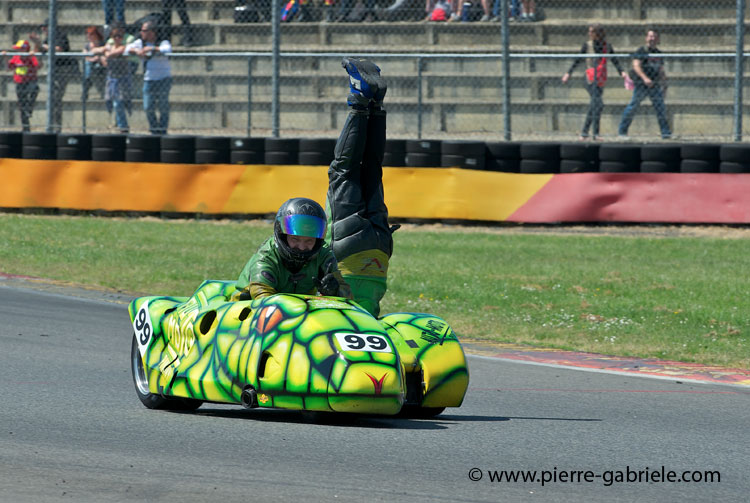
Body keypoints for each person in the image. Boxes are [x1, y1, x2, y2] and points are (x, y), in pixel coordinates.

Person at [325, 58, 398, 317]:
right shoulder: (349, 325)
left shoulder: (369, 323)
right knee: (343, 171)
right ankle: (359, 100)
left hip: (380, 250)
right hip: (348, 249)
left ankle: (375, 104)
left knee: (372, 169)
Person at [234, 198, 351, 300]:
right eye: (295, 239)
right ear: (283, 236)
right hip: (248, 309)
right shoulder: (266, 258)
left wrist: (335, 292)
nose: (301, 247)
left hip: (299, 312)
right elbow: (262, 298)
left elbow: (348, 297)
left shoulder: (324, 255)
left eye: (309, 241)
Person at [562, 24, 628, 141]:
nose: (589, 34)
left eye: (591, 32)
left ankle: (587, 133)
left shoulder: (606, 46)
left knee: (596, 105)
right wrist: (568, 73)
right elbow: (578, 60)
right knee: (598, 104)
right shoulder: (587, 45)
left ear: (598, 34)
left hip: (600, 79)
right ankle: (592, 133)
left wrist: (622, 72)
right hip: (590, 78)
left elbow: (615, 60)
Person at [618, 28, 672, 140]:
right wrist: (645, 78)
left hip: (654, 85)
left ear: (658, 39)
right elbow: (636, 66)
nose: (652, 38)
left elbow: (661, 70)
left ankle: (665, 133)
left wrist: (664, 84)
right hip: (641, 85)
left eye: (654, 36)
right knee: (633, 107)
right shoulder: (641, 51)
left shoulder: (658, 53)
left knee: (660, 109)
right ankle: (622, 132)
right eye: (650, 36)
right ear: (646, 38)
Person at [29, 19, 78, 132]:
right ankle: (53, 125)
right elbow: (42, 49)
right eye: (43, 27)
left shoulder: (60, 35)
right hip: (53, 70)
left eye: (45, 27)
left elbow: (58, 49)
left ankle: (56, 127)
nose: (43, 29)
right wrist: (37, 43)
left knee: (56, 98)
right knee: (53, 99)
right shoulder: (48, 38)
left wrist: (42, 45)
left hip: (63, 69)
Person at [125, 20, 172, 135]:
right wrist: (137, 51)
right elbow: (126, 50)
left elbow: (167, 49)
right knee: (148, 107)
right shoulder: (141, 42)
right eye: (141, 30)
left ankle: (162, 130)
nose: (141, 33)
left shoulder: (162, 41)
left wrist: (152, 49)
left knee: (163, 106)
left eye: (144, 31)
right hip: (149, 79)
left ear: (152, 32)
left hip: (164, 79)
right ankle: (154, 129)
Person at [100, 23, 133, 133]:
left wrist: (108, 54)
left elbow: (119, 52)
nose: (117, 38)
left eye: (119, 36)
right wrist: (104, 55)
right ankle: (117, 123)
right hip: (112, 78)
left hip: (122, 78)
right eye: (115, 36)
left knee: (119, 102)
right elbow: (97, 52)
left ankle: (123, 126)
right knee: (110, 101)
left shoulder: (123, 47)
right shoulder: (109, 47)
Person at [2, 39, 41, 132]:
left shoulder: (30, 57)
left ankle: (29, 108)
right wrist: (6, 58)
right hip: (20, 83)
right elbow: (9, 68)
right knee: (22, 106)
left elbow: (39, 66)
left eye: (21, 49)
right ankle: (26, 127)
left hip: (31, 81)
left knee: (35, 89)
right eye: (18, 49)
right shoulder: (16, 57)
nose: (19, 51)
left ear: (26, 49)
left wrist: (35, 56)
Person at [82, 26, 107, 103]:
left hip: (101, 64)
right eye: (87, 34)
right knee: (88, 64)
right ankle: (87, 80)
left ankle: (88, 78)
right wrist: (93, 59)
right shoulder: (87, 45)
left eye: (91, 34)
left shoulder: (102, 43)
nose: (88, 36)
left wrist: (98, 58)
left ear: (96, 35)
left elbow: (104, 54)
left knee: (90, 65)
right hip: (91, 64)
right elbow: (85, 56)